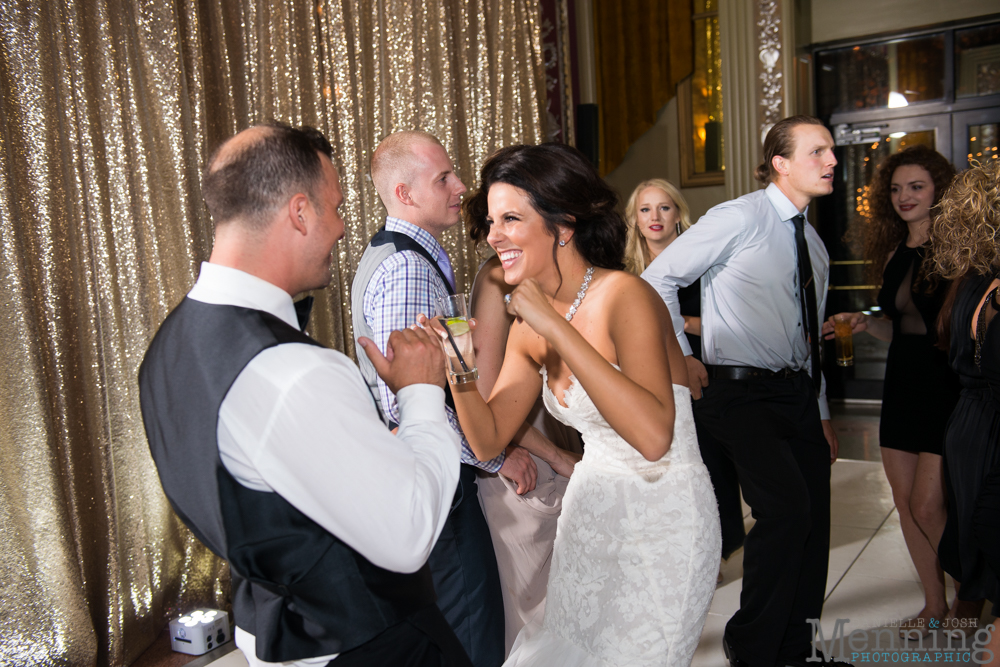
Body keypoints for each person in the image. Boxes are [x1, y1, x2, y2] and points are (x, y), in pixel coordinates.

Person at [138, 123, 472, 667]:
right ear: (300, 212)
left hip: (272, 635)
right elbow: (408, 534)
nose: (342, 228)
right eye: (335, 207)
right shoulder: (292, 371)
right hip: (368, 643)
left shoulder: (167, 347)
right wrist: (419, 395)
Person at [427, 142, 721, 667]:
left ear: (561, 225)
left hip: (666, 520)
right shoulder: (528, 325)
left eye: (511, 219)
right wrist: (459, 368)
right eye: (491, 221)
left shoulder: (625, 296)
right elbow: (489, 438)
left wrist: (555, 328)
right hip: (590, 516)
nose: (494, 236)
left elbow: (654, 438)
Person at [643, 115, 842, 667]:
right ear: (780, 163)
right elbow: (657, 279)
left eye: (831, 151)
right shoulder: (740, 217)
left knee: (814, 521)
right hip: (737, 393)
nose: (831, 161)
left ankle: (796, 652)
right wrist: (680, 356)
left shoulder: (816, 247)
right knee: (786, 510)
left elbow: (809, 343)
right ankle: (751, 645)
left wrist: (820, 411)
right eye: (817, 151)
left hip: (798, 394)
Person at [351, 130, 522, 667]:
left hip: (426, 470)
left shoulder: (399, 254)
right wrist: (496, 455)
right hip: (435, 477)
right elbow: (412, 399)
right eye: (444, 178)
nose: (461, 186)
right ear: (404, 194)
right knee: (471, 631)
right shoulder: (405, 268)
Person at [823, 145, 965, 632]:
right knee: (906, 505)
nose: (904, 196)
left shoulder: (956, 249)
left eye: (917, 186)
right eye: (897, 188)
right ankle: (934, 605)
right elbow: (901, 329)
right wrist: (862, 323)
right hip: (901, 386)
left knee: (931, 504)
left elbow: (953, 330)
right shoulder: (892, 254)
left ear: (939, 191)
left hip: (946, 387)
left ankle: (971, 595)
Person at [624, 179, 746, 569]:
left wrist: (684, 326)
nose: (655, 217)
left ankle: (720, 548)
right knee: (663, 465)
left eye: (664, 208)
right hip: (647, 374)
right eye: (645, 209)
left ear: (679, 214)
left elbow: (728, 319)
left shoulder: (704, 259)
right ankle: (674, 550)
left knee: (709, 462)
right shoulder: (626, 268)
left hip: (700, 371)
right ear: (635, 219)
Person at [467, 248, 583, 654]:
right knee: (534, 617)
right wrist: (553, 455)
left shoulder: (569, 275)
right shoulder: (500, 277)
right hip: (526, 458)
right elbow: (485, 400)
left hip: (563, 449)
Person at [927, 157, 1000, 659]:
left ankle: (969, 608)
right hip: (987, 425)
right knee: (982, 529)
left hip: (971, 423)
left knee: (977, 529)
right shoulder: (981, 284)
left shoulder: (972, 279)